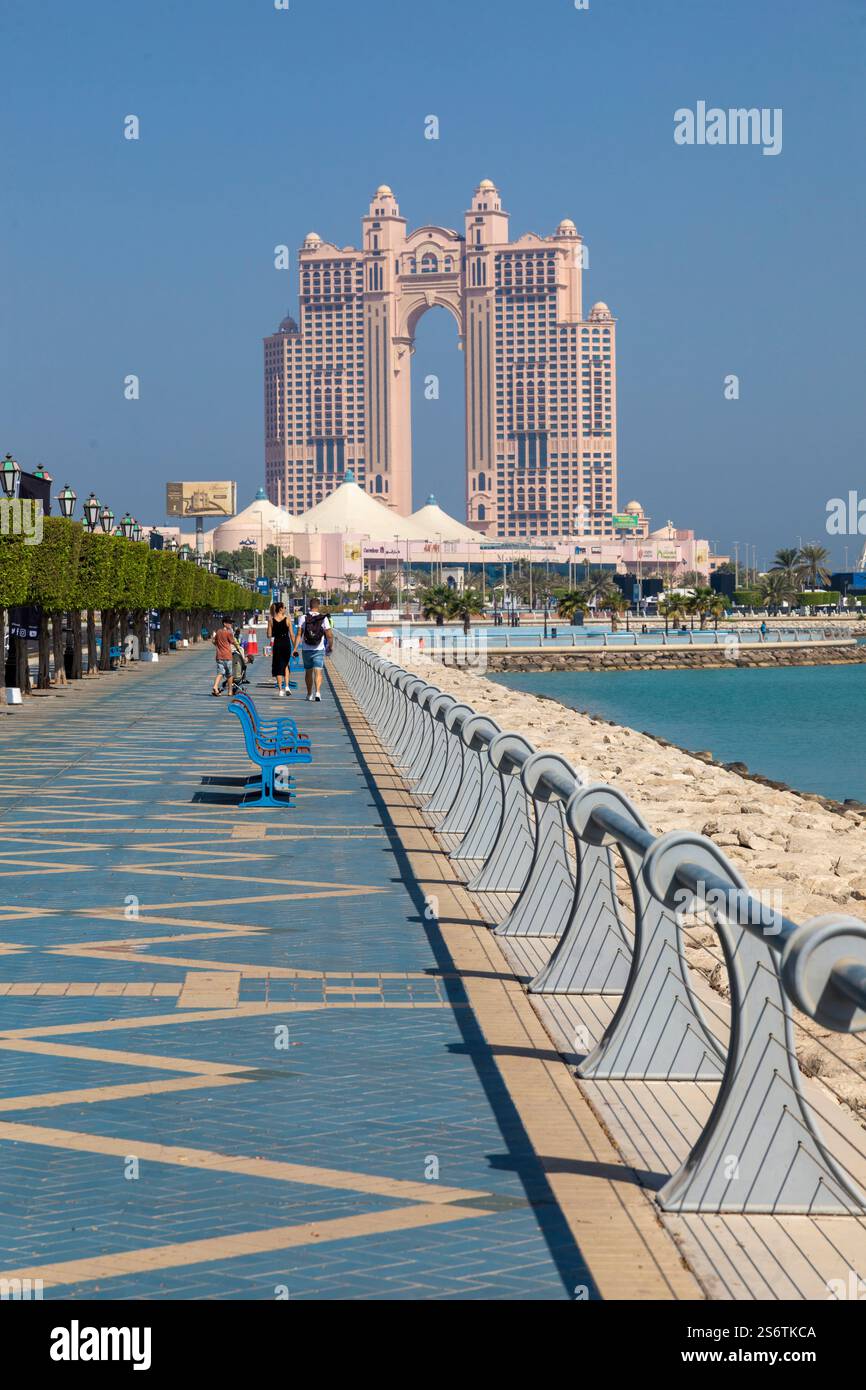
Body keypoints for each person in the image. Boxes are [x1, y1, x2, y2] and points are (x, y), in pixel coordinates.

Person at [294, 600, 332, 701]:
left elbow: (299, 634)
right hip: (319, 649)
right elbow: (329, 635)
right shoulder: (323, 618)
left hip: (306, 649)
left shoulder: (303, 618)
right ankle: (318, 693)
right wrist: (330, 646)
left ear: (309, 606)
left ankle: (309, 694)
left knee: (308, 672)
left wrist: (295, 648)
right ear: (318, 606)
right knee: (318, 672)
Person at [267, 602, 295, 697]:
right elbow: (291, 634)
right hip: (286, 644)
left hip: (277, 644)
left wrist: (270, 627)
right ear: (281, 609)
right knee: (286, 665)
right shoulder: (287, 620)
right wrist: (295, 647)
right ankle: (287, 686)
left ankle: (280, 690)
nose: (285, 609)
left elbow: (269, 635)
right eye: (284, 607)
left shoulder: (271, 620)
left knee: (278, 666)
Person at [211, 615, 238, 697]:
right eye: (229, 623)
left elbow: (214, 641)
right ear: (225, 623)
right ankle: (230, 691)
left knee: (220, 673)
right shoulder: (229, 633)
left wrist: (219, 646)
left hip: (219, 656)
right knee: (229, 674)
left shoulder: (218, 632)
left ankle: (215, 686)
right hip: (227, 656)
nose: (231, 625)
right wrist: (239, 649)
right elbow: (233, 642)